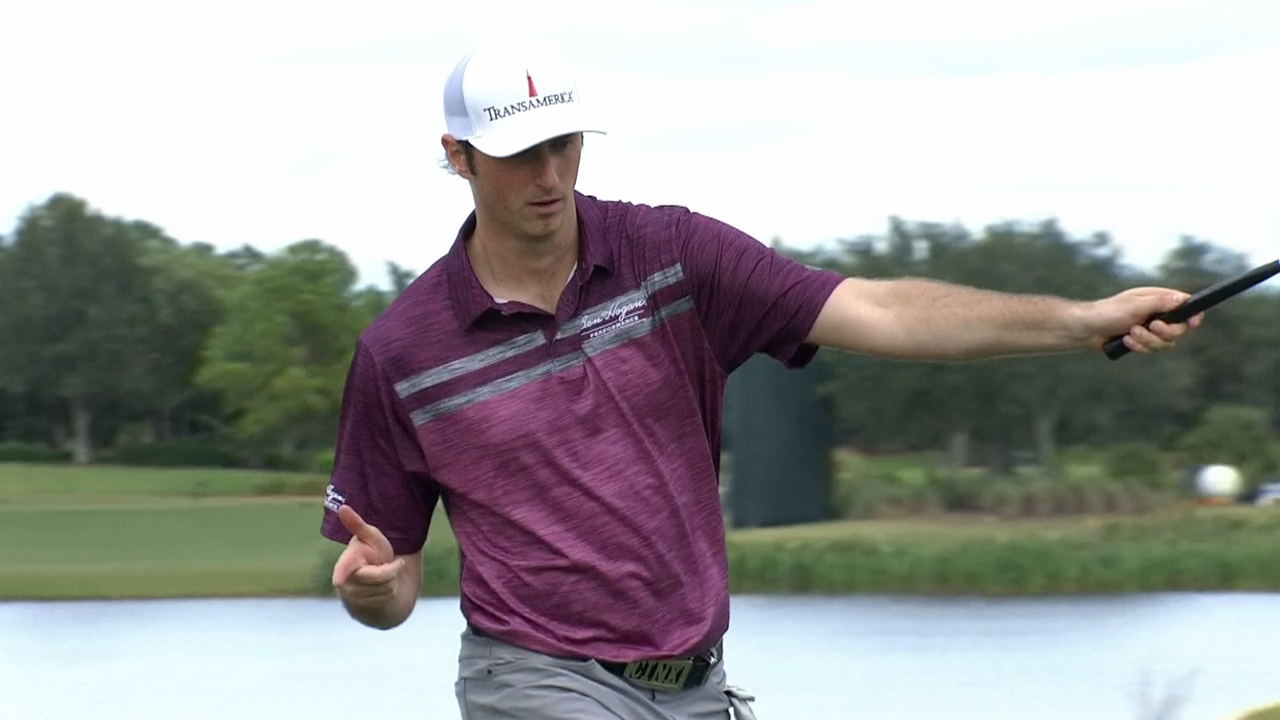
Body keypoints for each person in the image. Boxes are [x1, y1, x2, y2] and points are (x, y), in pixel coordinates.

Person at [319, 35, 1202, 720]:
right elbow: (391, 584)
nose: (549, 176)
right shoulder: (403, 352)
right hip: (533, 678)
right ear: (459, 154)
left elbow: (885, 312)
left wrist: (1081, 321)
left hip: (699, 682)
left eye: (563, 143)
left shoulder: (672, 255)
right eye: (519, 154)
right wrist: (375, 588)